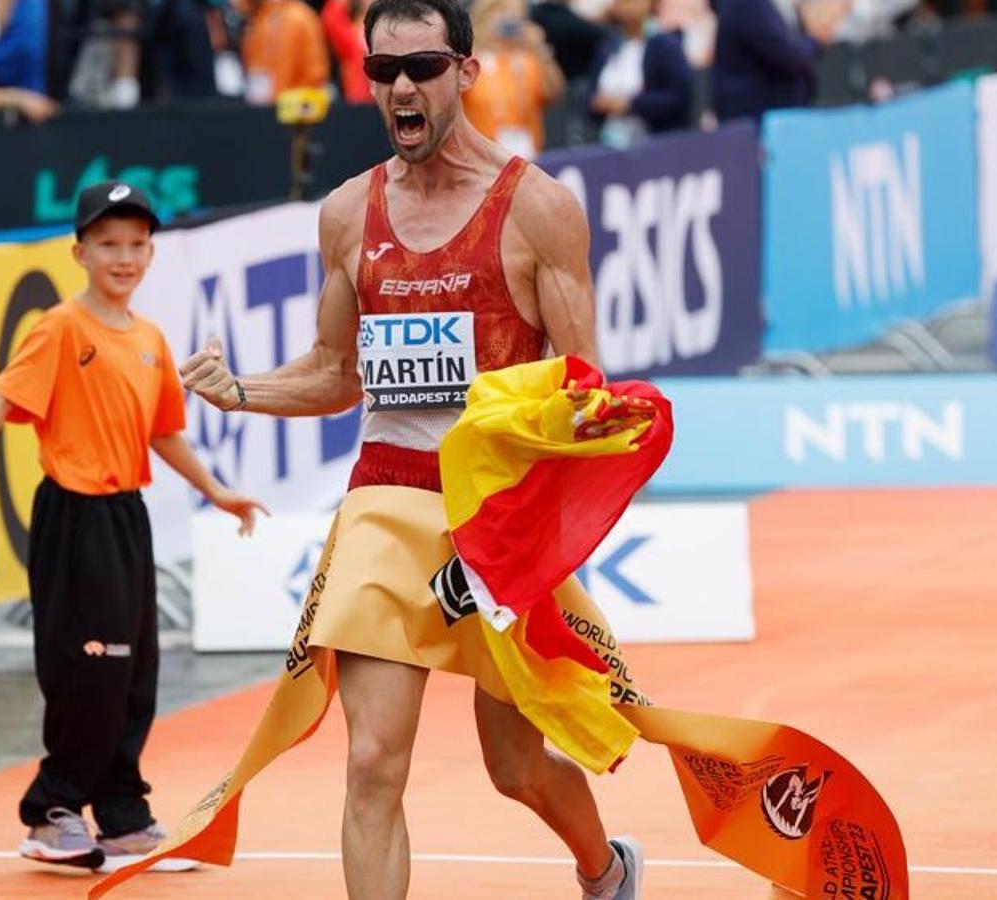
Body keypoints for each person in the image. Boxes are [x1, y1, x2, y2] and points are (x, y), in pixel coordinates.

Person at [175, 0, 648, 896]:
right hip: (385, 503)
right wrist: (243, 390)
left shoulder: (537, 209)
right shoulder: (350, 213)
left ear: (466, 73)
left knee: (517, 769)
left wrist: (533, 529)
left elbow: (580, 393)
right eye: (381, 70)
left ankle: (603, 867)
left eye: (422, 66)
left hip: (495, 519)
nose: (400, 86)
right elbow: (336, 371)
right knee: (373, 763)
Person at [0, 180, 268, 872]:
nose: (124, 258)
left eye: (136, 245)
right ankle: (53, 812)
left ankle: (123, 815)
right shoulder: (61, 327)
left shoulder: (149, 338)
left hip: (127, 517)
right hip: (74, 516)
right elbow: (1, 397)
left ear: (151, 254)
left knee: (134, 673)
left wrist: (219, 491)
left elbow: (165, 434)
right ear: (80, 251)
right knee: (86, 668)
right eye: (108, 245)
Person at [711, 0, 847, 123]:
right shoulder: (746, 4)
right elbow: (788, 56)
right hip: (756, 119)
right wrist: (815, 38)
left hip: (775, 115)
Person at [462, 0, 564, 158]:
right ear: (485, 16)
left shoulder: (528, 60)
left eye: (517, 14)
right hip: (483, 158)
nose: (510, 19)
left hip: (528, 156)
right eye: (503, 11)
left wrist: (539, 48)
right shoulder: (470, 62)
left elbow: (554, 93)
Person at [587, 0, 693, 148]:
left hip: (657, 146)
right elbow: (589, 98)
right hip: (611, 146)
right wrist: (600, 104)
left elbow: (679, 96)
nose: (629, 7)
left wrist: (632, 104)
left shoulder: (666, 45)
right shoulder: (607, 47)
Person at [238, 0, 331, 105]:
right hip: (269, 107)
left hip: (293, 111)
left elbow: (315, 74)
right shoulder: (260, 19)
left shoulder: (293, 17)